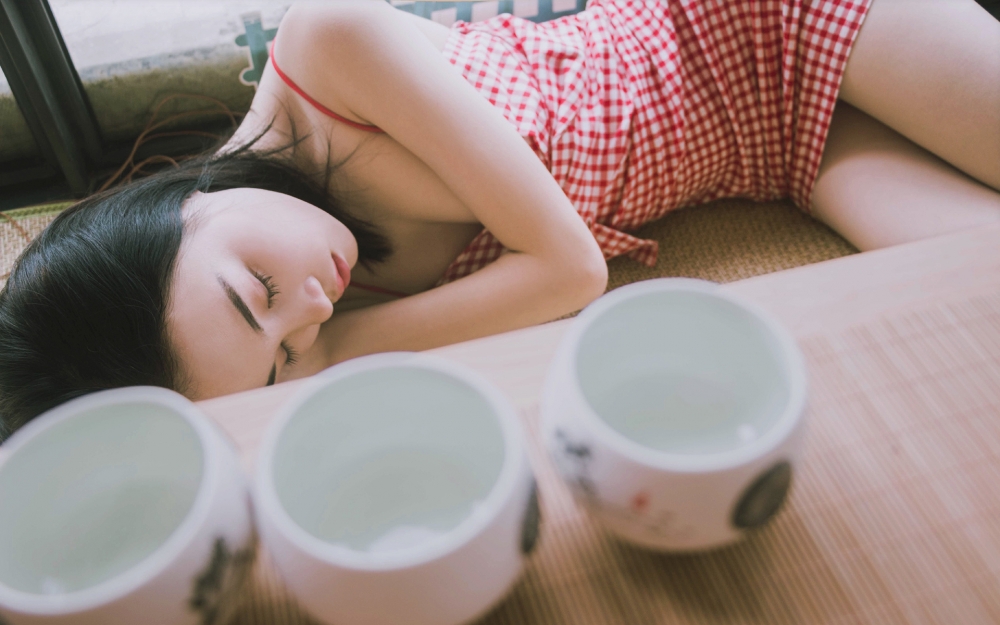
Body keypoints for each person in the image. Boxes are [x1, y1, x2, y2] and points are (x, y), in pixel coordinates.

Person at [1, 0, 998, 437]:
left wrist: (326, 355)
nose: (311, 305)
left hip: (751, 21)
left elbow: (569, 272)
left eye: (252, 290)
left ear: (175, 204)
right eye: (280, 359)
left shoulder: (329, 48)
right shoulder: (317, 316)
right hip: (771, 158)